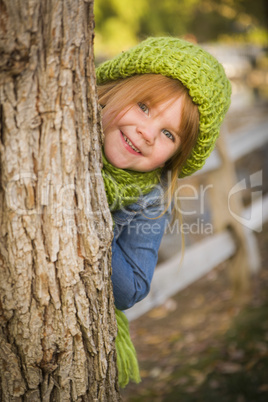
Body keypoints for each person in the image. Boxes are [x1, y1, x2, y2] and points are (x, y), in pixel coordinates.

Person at [96, 36, 232, 386]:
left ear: (175, 156)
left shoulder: (151, 197)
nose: (147, 133)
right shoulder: (56, 131)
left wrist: (93, 223)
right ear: (117, 87)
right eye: (143, 106)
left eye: (169, 133)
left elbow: (132, 289)